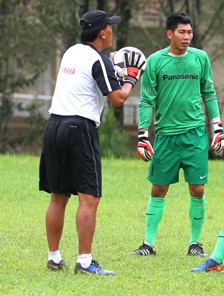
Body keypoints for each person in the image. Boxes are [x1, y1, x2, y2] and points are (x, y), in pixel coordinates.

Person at [39, 9, 145, 275]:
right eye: (110, 27)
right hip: (79, 128)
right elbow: (118, 99)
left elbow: (87, 81)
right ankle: (85, 262)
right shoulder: (100, 61)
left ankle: (54, 258)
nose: (112, 30)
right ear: (102, 32)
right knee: (90, 198)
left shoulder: (71, 52)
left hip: (54, 126)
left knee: (58, 196)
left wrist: (114, 73)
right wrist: (131, 79)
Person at [131, 12, 224, 257]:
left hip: (195, 135)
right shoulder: (154, 61)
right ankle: (148, 244)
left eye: (190, 32)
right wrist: (143, 133)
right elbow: (146, 100)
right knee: (158, 189)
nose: (187, 37)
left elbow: (209, 93)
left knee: (198, 189)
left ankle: (195, 243)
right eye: (182, 32)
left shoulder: (200, 58)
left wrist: (217, 127)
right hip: (165, 136)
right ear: (169, 33)